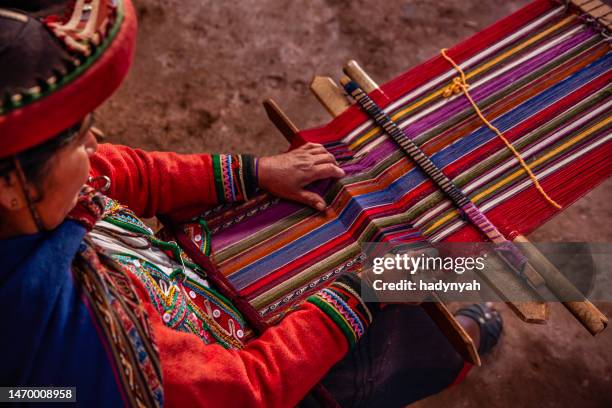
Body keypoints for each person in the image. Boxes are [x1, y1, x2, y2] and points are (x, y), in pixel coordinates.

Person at [0, 1, 502, 406]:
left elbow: (131, 172)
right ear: (9, 184)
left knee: (325, 228)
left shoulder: (30, 199)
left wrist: (257, 173)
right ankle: (494, 310)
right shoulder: (85, 342)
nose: (96, 144)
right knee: (378, 330)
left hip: (148, 319)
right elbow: (249, 389)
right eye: (78, 137)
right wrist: (360, 289)